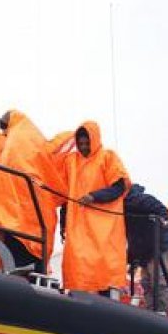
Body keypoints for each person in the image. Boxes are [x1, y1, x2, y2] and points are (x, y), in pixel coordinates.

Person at [0, 110, 69, 273]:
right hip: (37, 215)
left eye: (4, 127)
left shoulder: (12, 145)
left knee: (16, 262)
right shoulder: (33, 138)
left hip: (16, 218)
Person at [61, 121, 131, 294]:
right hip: (78, 227)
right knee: (77, 271)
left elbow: (119, 187)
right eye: (81, 144)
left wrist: (93, 197)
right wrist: (63, 224)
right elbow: (64, 195)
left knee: (104, 272)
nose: (84, 147)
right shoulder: (71, 162)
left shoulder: (107, 157)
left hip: (104, 229)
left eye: (87, 143)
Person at [123, 184, 168, 313]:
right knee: (146, 281)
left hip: (160, 243)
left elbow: (156, 206)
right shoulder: (124, 205)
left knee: (159, 279)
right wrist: (132, 260)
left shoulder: (138, 199)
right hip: (146, 248)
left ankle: (164, 312)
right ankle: (151, 311)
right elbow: (132, 236)